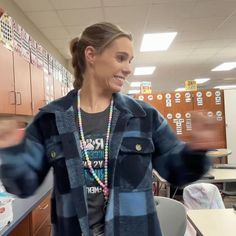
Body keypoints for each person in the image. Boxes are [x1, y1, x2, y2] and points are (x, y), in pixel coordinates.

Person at [0, 22, 219, 236]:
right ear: (91, 55)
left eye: (130, 60)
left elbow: (175, 172)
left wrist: (196, 150)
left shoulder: (143, 116)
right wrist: (10, 151)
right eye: (121, 58)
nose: (128, 69)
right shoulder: (51, 118)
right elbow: (24, 185)